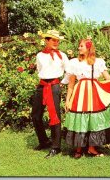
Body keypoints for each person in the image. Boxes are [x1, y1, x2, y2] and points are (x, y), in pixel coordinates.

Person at [64, 37, 110, 159]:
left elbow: (107, 77)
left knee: (93, 120)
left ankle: (91, 147)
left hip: (94, 93)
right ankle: (79, 148)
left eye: (81, 46)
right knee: (80, 118)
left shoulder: (98, 62)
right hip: (80, 93)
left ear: (88, 48)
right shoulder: (73, 62)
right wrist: (68, 100)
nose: (79, 48)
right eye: (79, 46)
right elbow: (71, 84)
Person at [31, 30, 70, 159]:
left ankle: (56, 146)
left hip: (53, 86)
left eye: (57, 40)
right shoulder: (39, 55)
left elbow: (69, 71)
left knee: (54, 115)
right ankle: (44, 141)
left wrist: (62, 83)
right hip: (41, 86)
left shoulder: (62, 55)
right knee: (36, 115)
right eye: (53, 40)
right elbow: (39, 70)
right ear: (46, 41)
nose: (56, 42)